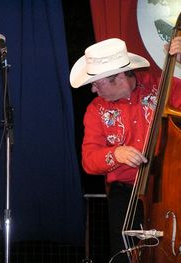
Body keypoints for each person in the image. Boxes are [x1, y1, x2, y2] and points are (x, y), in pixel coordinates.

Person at [69, 37, 181, 262]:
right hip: (125, 197)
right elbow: (89, 160)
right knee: (124, 255)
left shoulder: (164, 86)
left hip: (169, 192)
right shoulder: (95, 110)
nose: (92, 90)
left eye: (97, 83)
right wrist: (115, 154)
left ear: (119, 77)